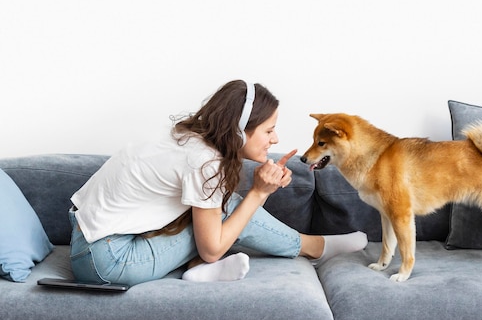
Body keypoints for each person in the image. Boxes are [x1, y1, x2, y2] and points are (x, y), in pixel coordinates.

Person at [69, 80, 367, 286]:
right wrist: (259, 193)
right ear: (238, 133)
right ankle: (315, 247)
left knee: (222, 210)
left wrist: (261, 189)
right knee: (229, 213)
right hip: (107, 260)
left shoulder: (191, 140)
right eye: (269, 131)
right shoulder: (204, 162)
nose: (275, 139)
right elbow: (213, 245)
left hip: (95, 245)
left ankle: (197, 269)